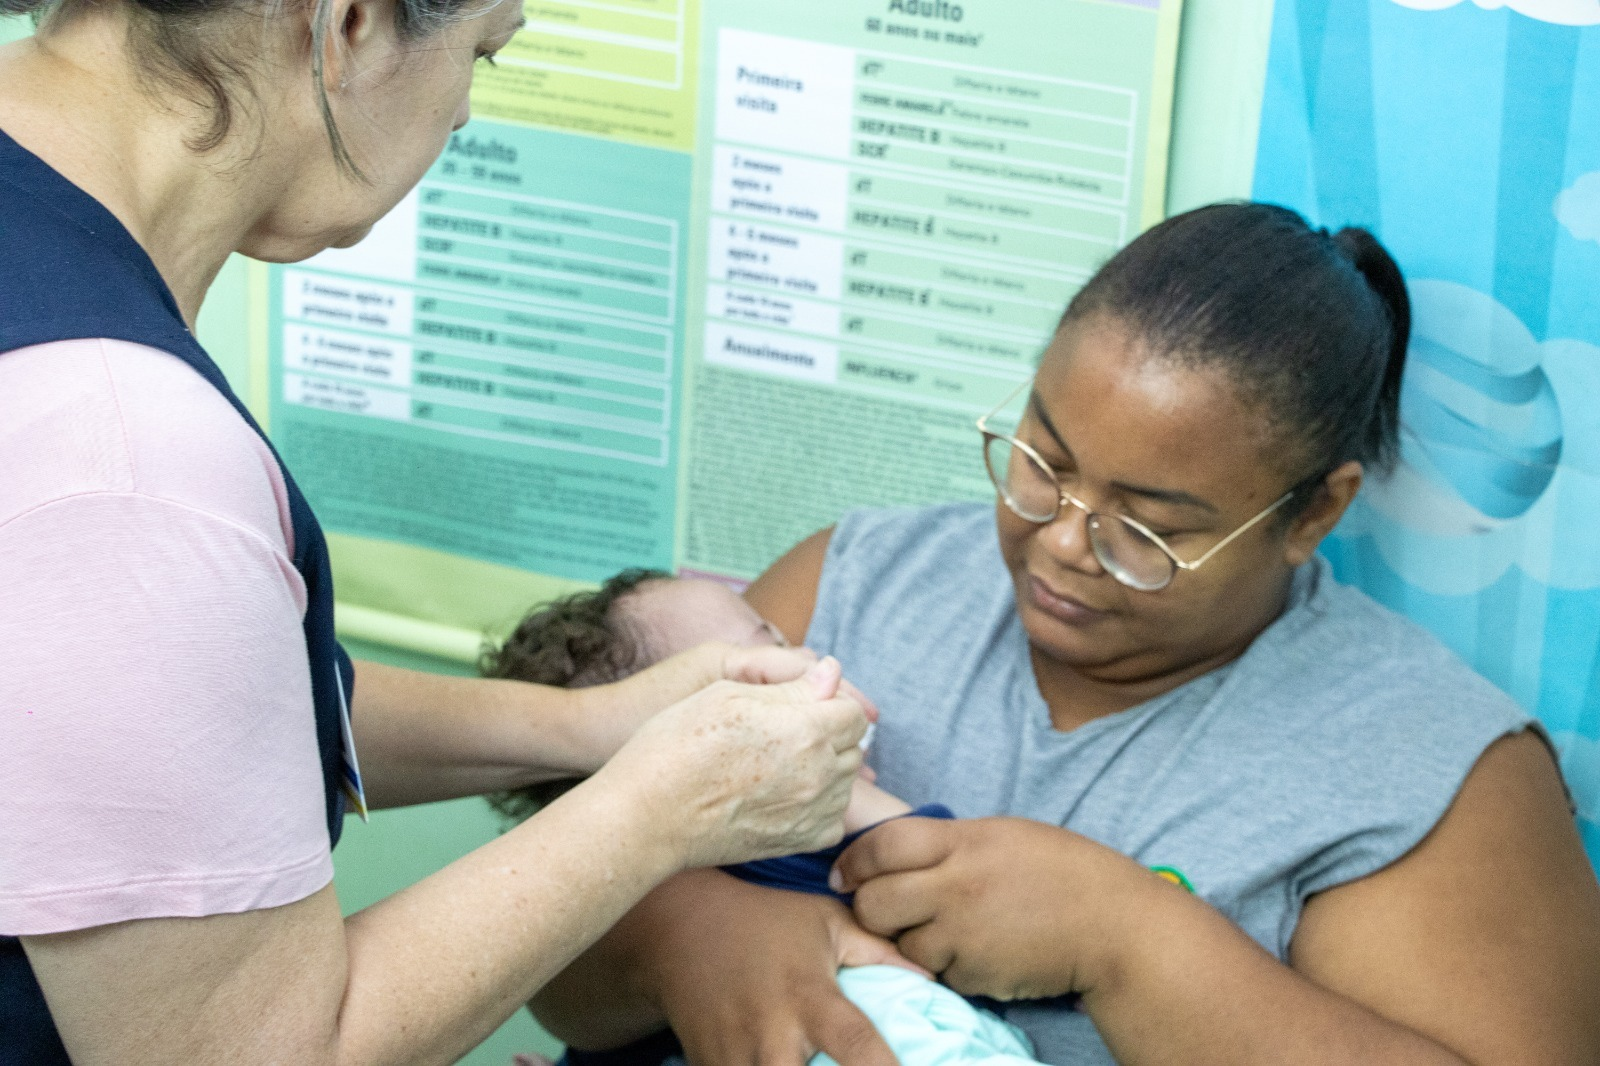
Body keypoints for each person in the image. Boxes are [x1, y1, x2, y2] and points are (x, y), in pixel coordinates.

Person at [0, 0, 873, 1062]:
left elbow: (192, 721)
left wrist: (592, 728)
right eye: (483, 54)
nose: (460, 114)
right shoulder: (123, 457)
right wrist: (669, 806)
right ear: (352, 24)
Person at [529, 203, 1600, 1065]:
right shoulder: (848, 585)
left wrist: (1128, 944)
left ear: (1313, 514)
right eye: (1043, 462)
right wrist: (685, 933)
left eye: (1151, 527)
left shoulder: (1427, 773)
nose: (1060, 543)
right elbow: (546, 971)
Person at [479, 571, 1044, 1066]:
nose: (813, 660)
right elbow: (958, 884)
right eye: (770, 655)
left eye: (784, 641)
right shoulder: (654, 884)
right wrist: (849, 792)